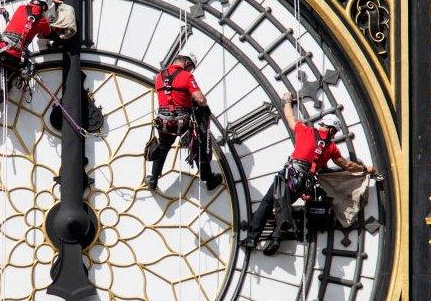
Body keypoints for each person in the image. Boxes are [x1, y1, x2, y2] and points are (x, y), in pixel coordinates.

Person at [242, 91, 375, 255]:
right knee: (284, 206)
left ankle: (251, 238)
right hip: (303, 184)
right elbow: (347, 165)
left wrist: (287, 101)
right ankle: (276, 237)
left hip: (289, 175)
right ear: (333, 130)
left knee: (268, 203)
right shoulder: (331, 148)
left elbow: (290, 118)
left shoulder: (305, 131)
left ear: (323, 124)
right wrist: (364, 169)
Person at [143, 53, 223, 192]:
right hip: (183, 120)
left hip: (163, 121)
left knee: (163, 146)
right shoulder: (187, 76)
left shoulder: (159, 77)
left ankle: (153, 179)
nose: (191, 70)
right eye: (191, 67)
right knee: (198, 146)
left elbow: (168, 95)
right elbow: (201, 99)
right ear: (186, 62)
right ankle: (209, 179)